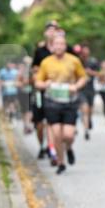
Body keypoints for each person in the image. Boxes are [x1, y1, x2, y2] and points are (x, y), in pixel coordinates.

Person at [34, 33, 88, 174]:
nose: (59, 46)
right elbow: (37, 82)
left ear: (65, 46)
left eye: (61, 44)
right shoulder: (46, 62)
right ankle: (61, 162)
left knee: (68, 135)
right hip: (52, 102)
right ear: (52, 46)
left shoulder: (74, 60)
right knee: (57, 134)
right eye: (56, 44)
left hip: (69, 101)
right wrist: (45, 84)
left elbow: (83, 77)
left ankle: (69, 148)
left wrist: (76, 86)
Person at [31, 22, 61, 162]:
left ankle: (52, 149)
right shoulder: (40, 51)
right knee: (39, 123)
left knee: (52, 121)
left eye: (54, 30)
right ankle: (42, 146)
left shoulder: (61, 51)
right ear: (45, 33)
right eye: (49, 30)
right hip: (41, 90)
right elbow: (34, 69)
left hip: (56, 92)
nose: (51, 33)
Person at [77, 45, 100, 141]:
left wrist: (90, 72)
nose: (85, 54)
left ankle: (89, 120)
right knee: (85, 109)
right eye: (84, 52)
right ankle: (86, 130)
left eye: (87, 52)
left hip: (90, 89)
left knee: (89, 110)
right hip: (81, 90)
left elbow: (100, 74)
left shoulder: (93, 62)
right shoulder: (77, 62)